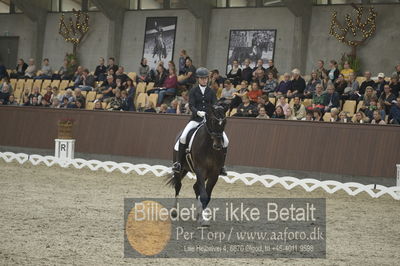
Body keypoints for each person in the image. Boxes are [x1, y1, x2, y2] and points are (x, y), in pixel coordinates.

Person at [172, 67, 229, 175]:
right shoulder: (193, 91)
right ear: (198, 79)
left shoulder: (211, 91)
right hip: (196, 120)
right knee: (183, 137)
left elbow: (214, 105)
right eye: (202, 78)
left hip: (209, 122)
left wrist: (218, 110)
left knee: (226, 141)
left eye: (206, 78)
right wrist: (197, 112)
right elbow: (192, 105)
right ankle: (178, 163)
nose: (204, 80)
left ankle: (221, 166)